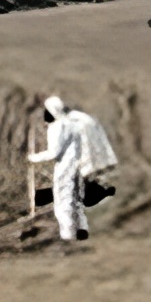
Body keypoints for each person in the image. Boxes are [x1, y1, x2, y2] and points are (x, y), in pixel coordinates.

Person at [30, 95, 117, 244]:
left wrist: (33, 158)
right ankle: (82, 229)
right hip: (77, 170)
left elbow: (54, 153)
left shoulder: (57, 127)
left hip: (65, 170)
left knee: (63, 204)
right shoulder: (74, 124)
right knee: (76, 202)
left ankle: (68, 237)